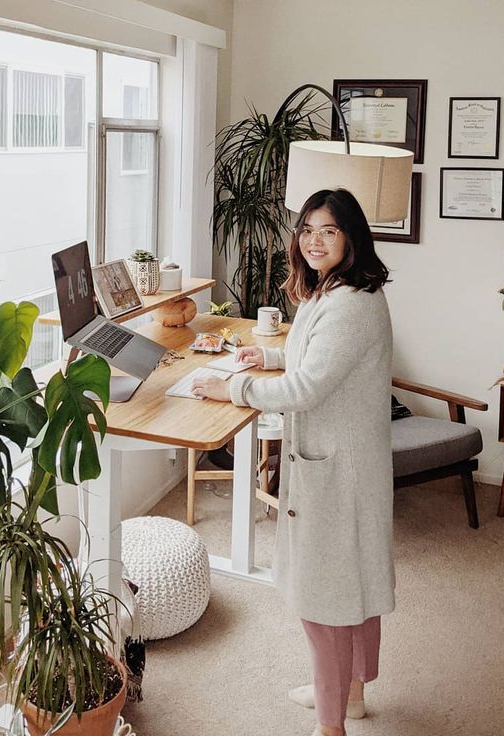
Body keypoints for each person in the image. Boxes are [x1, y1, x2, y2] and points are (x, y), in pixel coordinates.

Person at [191, 188, 394, 736]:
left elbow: (306, 387)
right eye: (308, 229)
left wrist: (232, 386)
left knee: (325, 597)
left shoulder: (351, 303)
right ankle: (349, 694)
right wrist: (271, 355)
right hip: (343, 460)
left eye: (328, 230)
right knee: (349, 585)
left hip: (340, 471)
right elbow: (316, 355)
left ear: (351, 237)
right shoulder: (336, 290)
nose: (314, 240)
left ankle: (332, 726)